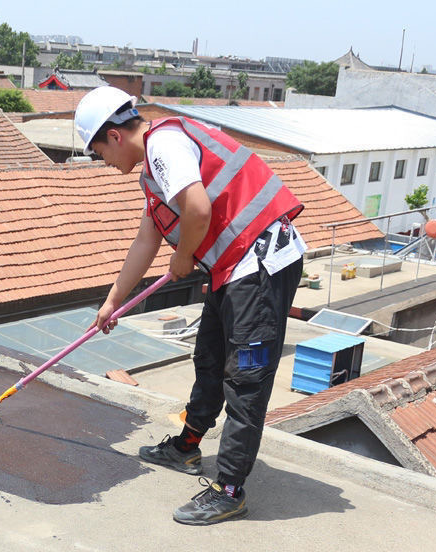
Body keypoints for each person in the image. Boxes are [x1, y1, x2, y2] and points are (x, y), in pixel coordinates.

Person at [74, 86, 306, 525]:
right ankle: (187, 447)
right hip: (233, 266)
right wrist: (112, 303)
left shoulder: (164, 144)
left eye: (97, 150)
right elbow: (147, 239)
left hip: (261, 262)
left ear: (115, 136)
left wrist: (183, 259)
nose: (103, 161)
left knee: (245, 379)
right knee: (209, 358)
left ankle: (231, 489)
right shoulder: (154, 174)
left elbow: (197, 210)